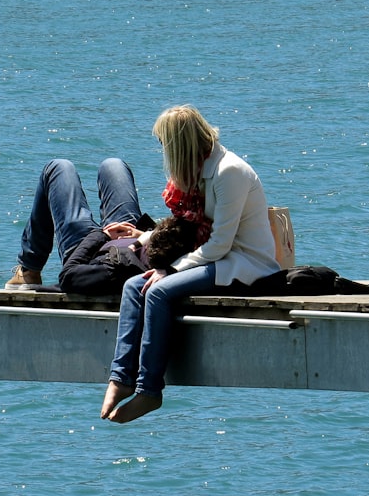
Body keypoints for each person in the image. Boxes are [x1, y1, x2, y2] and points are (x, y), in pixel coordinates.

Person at [101, 105, 281, 423]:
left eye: (164, 143)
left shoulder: (229, 172)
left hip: (243, 263)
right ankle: (120, 378)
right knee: (133, 286)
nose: (163, 151)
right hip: (214, 258)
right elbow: (188, 225)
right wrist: (144, 237)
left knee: (157, 292)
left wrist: (169, 269)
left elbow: (220, 243)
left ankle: (149, 390)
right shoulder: (198, 170)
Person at [5, 158, 150, 291]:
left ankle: (29, 270)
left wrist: (102, 235)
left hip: (88, 253)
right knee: (113, 165)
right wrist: (146, 235)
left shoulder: (109, 272)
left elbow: (69, 275)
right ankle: (29, 269)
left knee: (58, 167)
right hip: (134, 240)